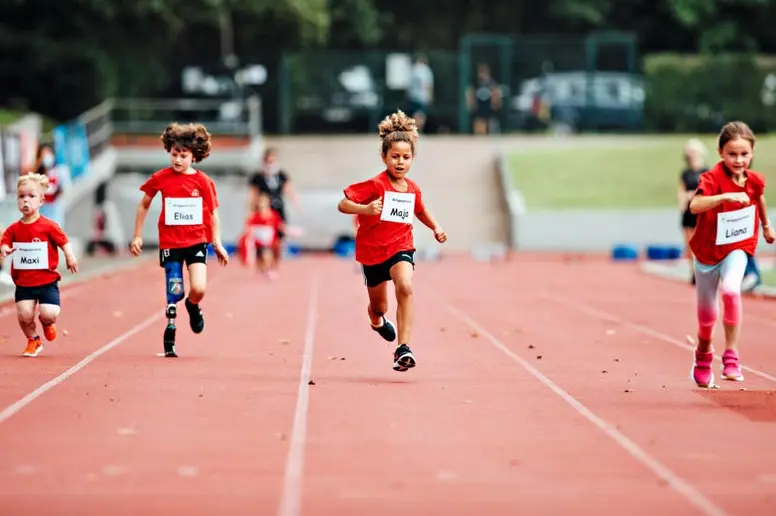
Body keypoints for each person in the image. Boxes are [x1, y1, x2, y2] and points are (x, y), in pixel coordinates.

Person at [337, 110, 447, 372]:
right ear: (384, 157)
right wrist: (364, 210)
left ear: (412, 159)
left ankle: (403, 348)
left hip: (400, 247)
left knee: (406, 286)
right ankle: (376, 321)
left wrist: (436, 227)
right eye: (395, 157)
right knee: (379, 306)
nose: (400, 162)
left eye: (406, 157)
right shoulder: (375, 185)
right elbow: (343, 204)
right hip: (372, 253)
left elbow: (420, 209)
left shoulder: (412, 188)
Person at [129, 122, 229, 358]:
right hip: (171, 243)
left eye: (183, 156)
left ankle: (193, 307)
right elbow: (144, 204)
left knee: (199, 288)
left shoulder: (203, 182)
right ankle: (170, 330)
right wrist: (137, 235)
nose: (177, 160)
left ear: (194, 156)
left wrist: (217, 242)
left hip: (196, 241)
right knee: (175, 290)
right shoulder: (161, 178)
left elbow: (214, 213)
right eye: (174, 154)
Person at [688, 121, 775, 388]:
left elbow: (758, 197)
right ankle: (703, 354)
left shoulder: (755, 180)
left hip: (737, 246)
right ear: (721, 153)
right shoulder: (712, 178)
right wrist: (724, 197)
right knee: (707, 318)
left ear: (751, 153)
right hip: (706, 252)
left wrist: (766, 226)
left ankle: (731, 356)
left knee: (730, 290)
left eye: (744, 154)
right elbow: (695, 205)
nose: (739, 160)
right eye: (732, 154)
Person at [0, 172, 79, 357]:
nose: (25, 201)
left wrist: (70, 257)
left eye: (31, 196)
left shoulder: (49, 226)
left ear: (41, 201)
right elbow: (5, 241)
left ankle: (46, 323)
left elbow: (64, 242)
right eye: (21, 196)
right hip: (24, 283)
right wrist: (4, 249)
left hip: (46, 281)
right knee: (24, 316)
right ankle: (33, 339)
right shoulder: (14, 229)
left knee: (49, 312)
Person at [247, 147, 299, 268]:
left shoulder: (281, 175)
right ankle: (264, 262)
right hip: (263, 210)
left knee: (279, 239)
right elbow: (252, 195)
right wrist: (251, 211)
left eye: (273, 161)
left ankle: (276, 261)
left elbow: (289, 189)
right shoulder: (257, 177)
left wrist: (295, 202)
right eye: (268, 161)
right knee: (264, 240)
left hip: (278, 210)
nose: (271, 164)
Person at [677, 138, 709, 284]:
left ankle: (705, 270)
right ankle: (693, 272)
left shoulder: (707, 172)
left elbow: (710, 190)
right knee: (689, 243)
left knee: (703, 242)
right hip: (689, 211)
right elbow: (681, 190)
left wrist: (695, 194)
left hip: (702, 210)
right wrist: (683, 202)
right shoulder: (685, 173)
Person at [244, 191, 284, 279]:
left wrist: (289, 231)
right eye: (260, 201)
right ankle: (264, 268)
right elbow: (248, 227)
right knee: (260, 262)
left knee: (268, 254)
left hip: (269, 242)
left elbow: (280, 226)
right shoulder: (254, 216)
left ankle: (271, 269)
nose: (262, 204)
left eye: (264, 201)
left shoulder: (274, 215)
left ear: (268, 202)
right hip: (258, 242)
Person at [33, 143, 69, 228]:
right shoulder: (37, 174)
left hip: (55, 210)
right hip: (41, 212)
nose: (46, 157)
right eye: (43, 154)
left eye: (48, 153)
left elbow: (65, 189)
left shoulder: (60, 171)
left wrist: (56, 190)